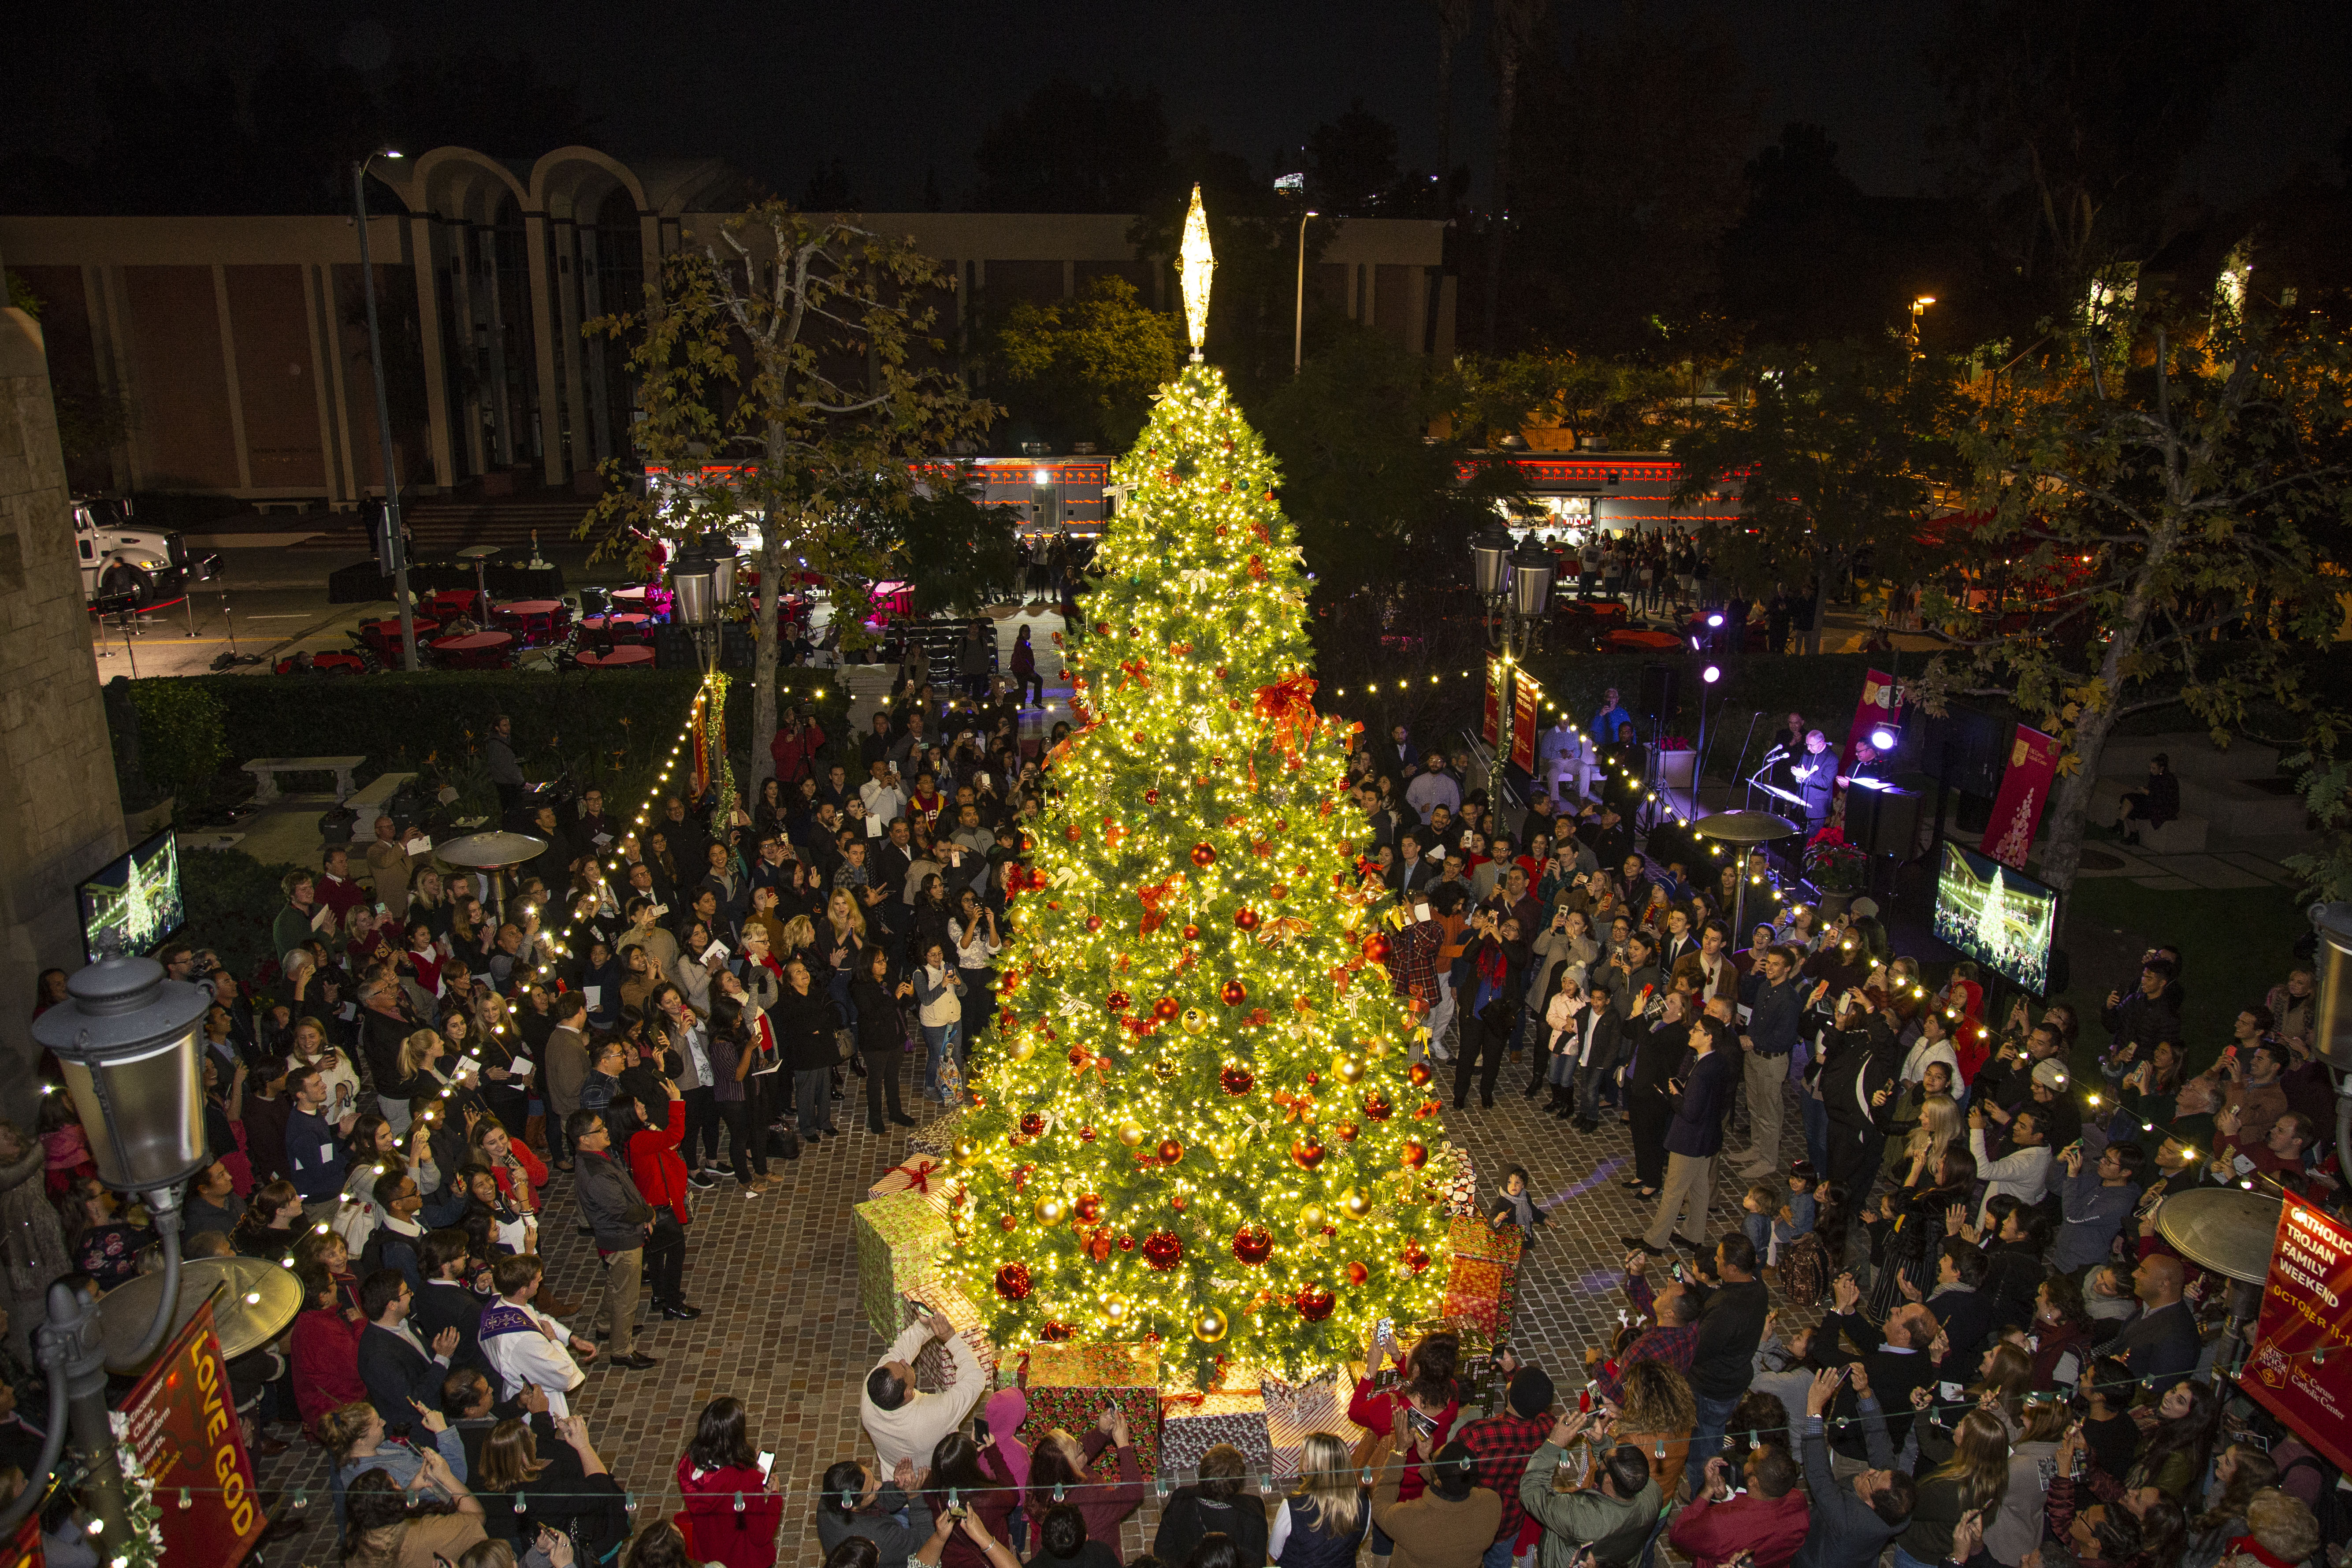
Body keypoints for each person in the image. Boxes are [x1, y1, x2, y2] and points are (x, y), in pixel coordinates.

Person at [1631, 1014, 1737, 1256]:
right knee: (1700, 1189)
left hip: (1689, 1139)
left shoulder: (1701, 1072)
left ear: (1709, 1038)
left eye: (1697, 1030)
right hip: (1707, 1138)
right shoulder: (1718, 1062)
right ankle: (1693, 1236)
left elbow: (1689, 1111)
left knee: (1673, 1191)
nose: (1691, 1033)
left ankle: (1655, 1241)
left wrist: (1674, 1095)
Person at [565, 1109, 659, 1370]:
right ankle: (621, 1349)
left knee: (615, 1282)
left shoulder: (593, 1158)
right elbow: (621, 1210)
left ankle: (606, 1325)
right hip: (622, 1238)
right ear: (584, 1139)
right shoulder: (596, 1174)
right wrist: (648, 1213)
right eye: (599, 1129)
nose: (606, 1130)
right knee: (627, 1297)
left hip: (615, 1237)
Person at [1791, 1368, 1913, 1568]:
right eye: (1879, 1472)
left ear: (1872, 1504)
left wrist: (1814, 1406)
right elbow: (1880, 1444)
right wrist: (1866, 1395)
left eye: (1872, 1479)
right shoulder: (1899, 1507)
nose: (1871, 1471)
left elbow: (1819, 1476)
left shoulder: (1850, 1523)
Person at [1516, 1413, 1657, 1568]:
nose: (1603, 1456)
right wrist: (1601, 1443)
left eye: (1605, 1458)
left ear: (1609, 1480)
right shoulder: (1652, 1493)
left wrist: (1554, 1445)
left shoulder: (1580, 1515)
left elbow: (1531, 1491)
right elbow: (1624, 1474)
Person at [1454, 1357, 1553, 1568]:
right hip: (1510, 1523)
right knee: (1500, 1561)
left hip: (1472, 1521)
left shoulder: (1478, 1435)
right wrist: (1513, 1372)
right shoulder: (1548, 1428)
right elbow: (1530, 1399)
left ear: (1510, 1392)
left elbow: (1448, 1472)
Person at [861, 1306, 985, 1473]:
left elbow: (900, 1350)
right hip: (935, 1476)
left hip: (894, 1471)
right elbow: (974, 1379)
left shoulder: (874, 1388)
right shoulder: (934, 1415)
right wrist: (951, 1338)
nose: (904, 1362)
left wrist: (923, 1327)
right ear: (907, 1393)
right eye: (904, 1368)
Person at [478, 1254, 598, 1416]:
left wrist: (572, 1338)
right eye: (537, 1279)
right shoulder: (525, 1339)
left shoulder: (498, 1306)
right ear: (523, 1290)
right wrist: (554, 1340)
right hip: (538, 1404)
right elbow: (564, 1375)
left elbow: (537, 1317)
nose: (541, 1281)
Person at [675, 1397, 786, 1568]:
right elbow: (761, 1535)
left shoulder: (688, 1465)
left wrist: (748, 1464)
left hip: (709, 1556)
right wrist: (774, 1496)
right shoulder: (745, 1482)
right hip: (745, 1560)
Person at [1668, 1440, 1809, 1568]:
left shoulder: (1720, 1522)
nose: (1749, 1457)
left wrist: (1708, 1490)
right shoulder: (1798, 1500)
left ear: (1754, 1481)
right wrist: (1725, 1497)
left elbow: (1679, 1535)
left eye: (1751, 1461)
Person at [1367, 1436, 1497, 1568]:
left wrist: (1400, 1452)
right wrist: (1427, 1460)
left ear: (1438, 1481)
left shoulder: (1411, 1518)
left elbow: (1380, 1506)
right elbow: (1453, 1486)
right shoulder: (1492, 1504)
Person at [356, 1268, 461, 1427]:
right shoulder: (377, 1355)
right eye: (406, 1292)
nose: (411, 1295)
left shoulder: (403, 1322)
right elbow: (413, 1402)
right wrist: (442, 1358)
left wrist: (436, 1352)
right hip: (420, 1427)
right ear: (392, 1305)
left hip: (439, 1405)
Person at [338, 1461, 487, 1568]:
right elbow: (477, 1518)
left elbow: (395, 1512)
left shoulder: (358, 1534)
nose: (401, 1487)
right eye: (396, 1483)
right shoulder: (430, 1532)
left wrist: (412, 1491)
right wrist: (447, 1477)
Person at [1153, 1444, 1267, 1567]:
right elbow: (1257, 1562)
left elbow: (1162, 1550)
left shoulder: (1181, 1498)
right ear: (1239, 1482)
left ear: (1202, 1474)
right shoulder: (1254, 1510)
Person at [1269, 1431, 1371, 1568]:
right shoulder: (1364, 1501)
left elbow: (1275, 1551)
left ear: (1310, 1467)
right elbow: (1360, 1539)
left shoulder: (1292, 1507)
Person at [817, 1457, 937, 1564]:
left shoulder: (833, 1493)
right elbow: (926, 1541)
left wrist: (900, 1488)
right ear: (852, 1507)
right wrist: (914, 1497)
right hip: (891, 1547)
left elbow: (879, 1499)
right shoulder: (878, 1540)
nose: (879, 1484)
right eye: (872, 1488)